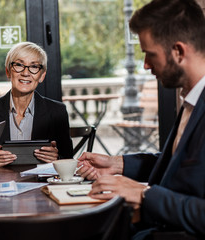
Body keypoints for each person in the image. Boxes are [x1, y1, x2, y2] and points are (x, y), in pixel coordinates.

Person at [77, 0, 205, 239]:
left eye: (149, 54)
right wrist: (117, 164)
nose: (145, 65)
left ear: (178, 51)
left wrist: (143, 194)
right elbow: (178, 165)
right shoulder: (192, 100)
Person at [0, 42, 73, 166]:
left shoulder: (57, 112)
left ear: (42, 76)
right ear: (8, 72)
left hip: (42, 184)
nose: (25, 73)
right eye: (19, 65)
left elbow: (68, 159)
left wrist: (56, 158)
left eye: (34, 67)